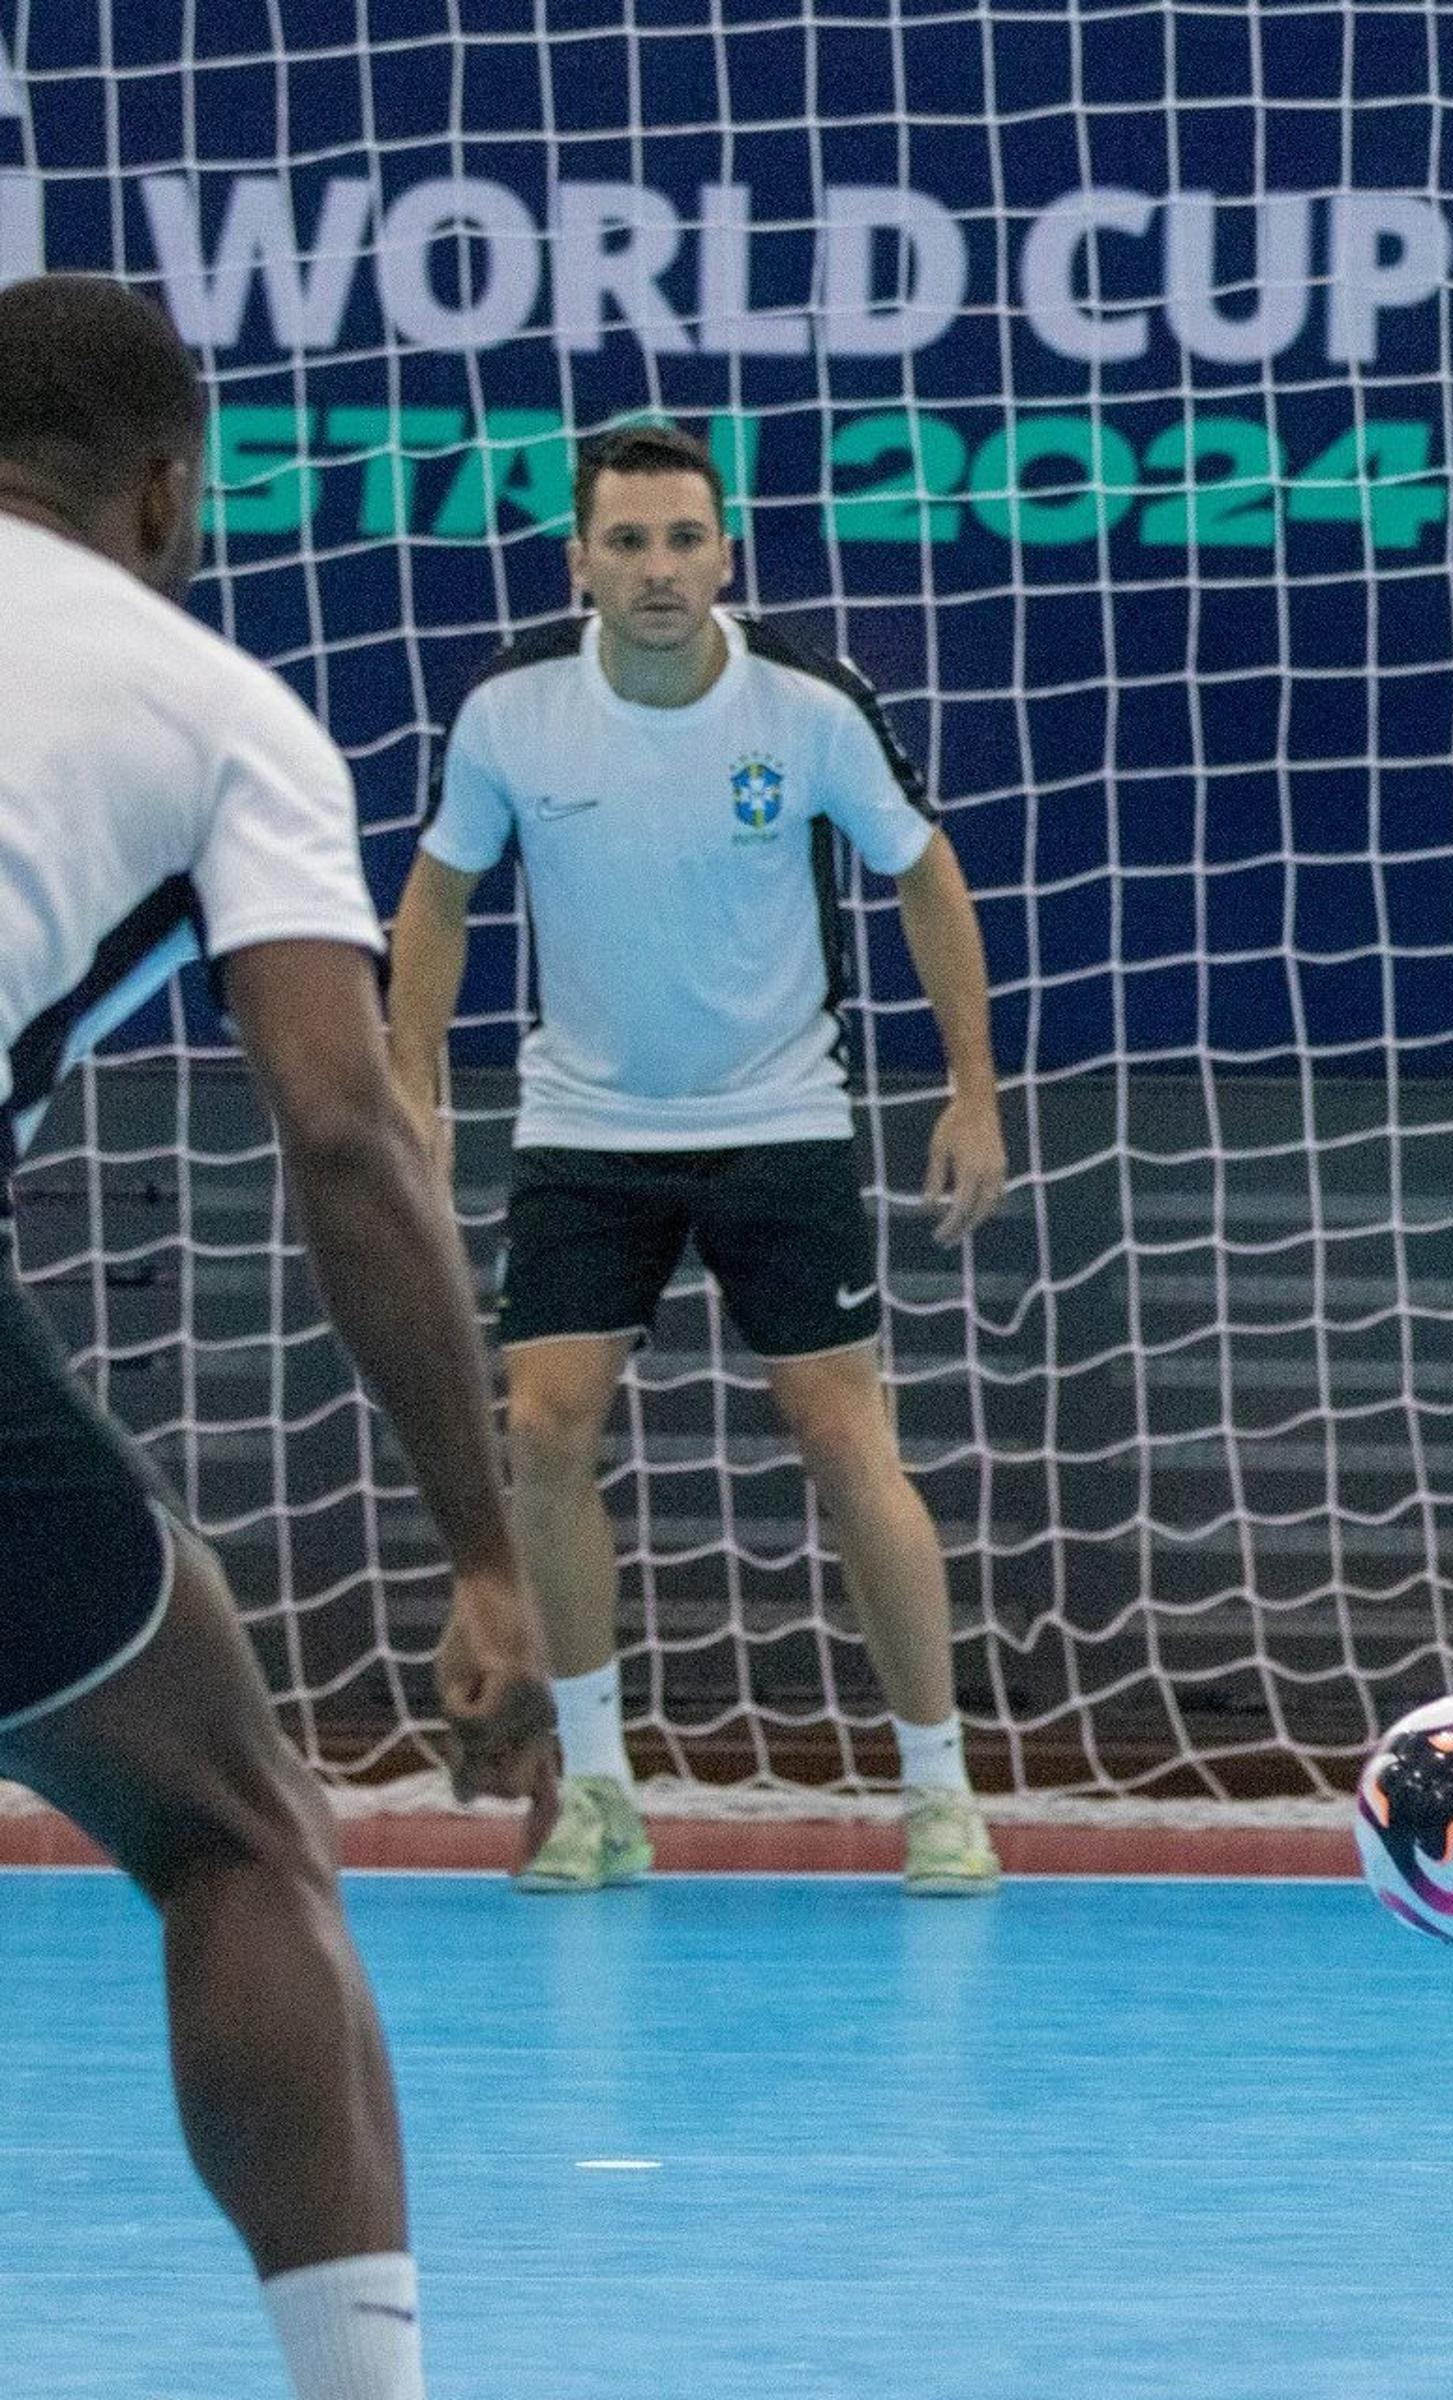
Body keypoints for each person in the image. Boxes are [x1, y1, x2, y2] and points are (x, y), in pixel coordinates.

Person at [0, 273, 555, 2400]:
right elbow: (347, 1130)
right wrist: (484, 1552)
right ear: (161, 490)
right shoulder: (220, 709)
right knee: (234, 1829)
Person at [386, 422, 1013, 1896]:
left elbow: (926, 873)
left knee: (844, 1437)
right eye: (628, 543)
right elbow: (435, 900)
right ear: (580, 565)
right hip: (587, 1130)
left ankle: (940, 1792)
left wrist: (974, 1092)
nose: (658, 570)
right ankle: (599, 1788)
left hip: (782, 1116)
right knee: (542, 1431)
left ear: (726, 555)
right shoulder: (511, 712)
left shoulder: (806, 705)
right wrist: (410, 1085)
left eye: (684, 541)